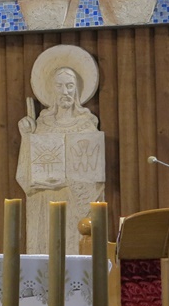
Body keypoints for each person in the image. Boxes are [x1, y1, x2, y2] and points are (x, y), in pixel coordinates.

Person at [16, 46, 104, 255]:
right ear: (52, 89)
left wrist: (69, 182)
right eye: (60, 86)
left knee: (75, 250)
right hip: (46, 200)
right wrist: (27, 138)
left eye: (70, 86)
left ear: (77, 89)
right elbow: (26, 176)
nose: (65, 92)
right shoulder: (42, 125)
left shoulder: (86, 125)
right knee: (47, 252)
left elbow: (95, 179)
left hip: (76, 204)